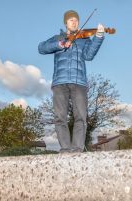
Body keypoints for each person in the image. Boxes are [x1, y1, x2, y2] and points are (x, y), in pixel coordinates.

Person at [38, 10, 105, 153]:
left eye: (76, 20)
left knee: (80, 116)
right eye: (71, 20)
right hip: (59, 82)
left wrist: (98, 37)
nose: (74, 22)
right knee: (59, 117)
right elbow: (41, 48)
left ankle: (77, 149)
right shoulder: (58, 38)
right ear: (66, 22)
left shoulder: (84, 39)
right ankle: (65, 149)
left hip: (79, 82)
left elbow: (89, 56)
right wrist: (60, 44)